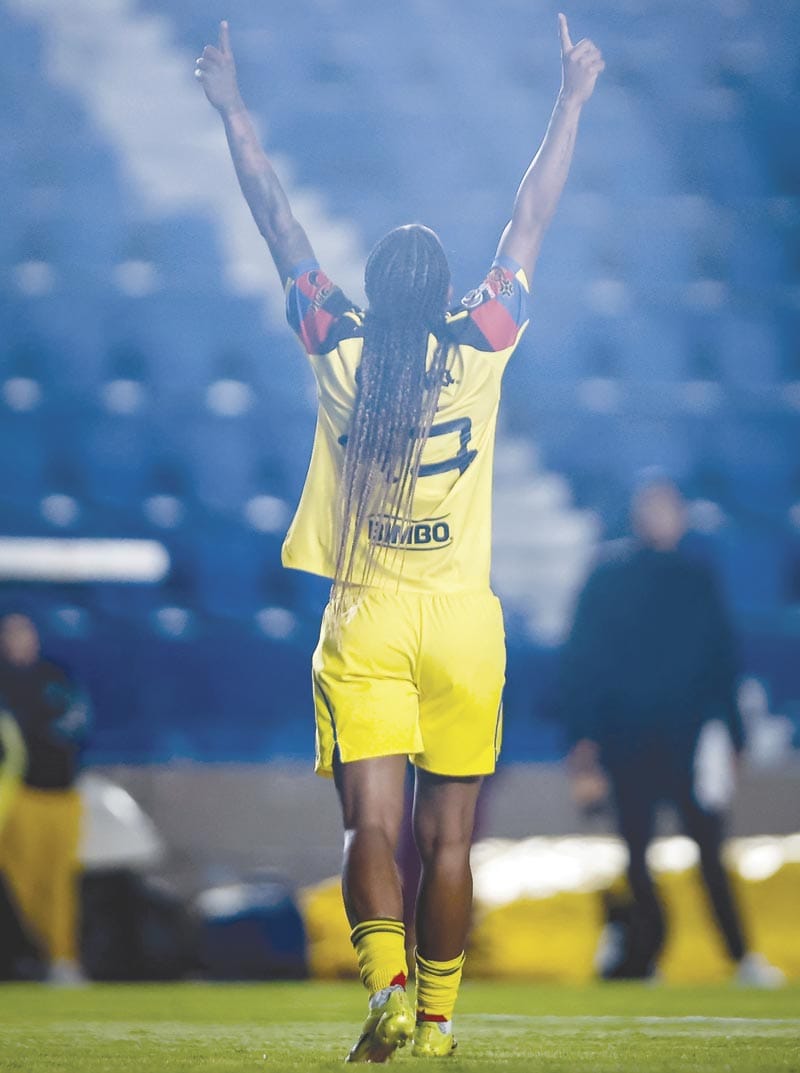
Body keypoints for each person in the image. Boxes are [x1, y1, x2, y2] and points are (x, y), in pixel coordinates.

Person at [197, 14, 603, 1059]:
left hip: (367, 618)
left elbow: (277, 219)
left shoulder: (337, 344)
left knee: (366, 829)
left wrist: (234, 109)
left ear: (376, 291)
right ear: (445, 295)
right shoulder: (482, 344)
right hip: (462, 623)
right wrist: (568, 102)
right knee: (450, 837)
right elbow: (529, 221)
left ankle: (379, 983)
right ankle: (433, 1026)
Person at [560, 476, 784, 986]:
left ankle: (741, 956)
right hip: (626, 740)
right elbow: (583, 662)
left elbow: (721, 661)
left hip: (686, 740)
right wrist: (583, 741)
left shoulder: (697, 577)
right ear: (637, 513)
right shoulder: (608, 574)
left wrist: (733, 736)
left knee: (709, 850)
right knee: (636, 852)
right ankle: (644, 955)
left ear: (681, 515)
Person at [0, 612, 92, 985]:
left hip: (61, 794)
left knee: (60, 883)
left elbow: (77, 724)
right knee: (22, 882)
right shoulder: (5, 682)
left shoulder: (55, 676)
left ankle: (62, 958)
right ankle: (33, 953)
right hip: (21, 794)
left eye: (23, 632)